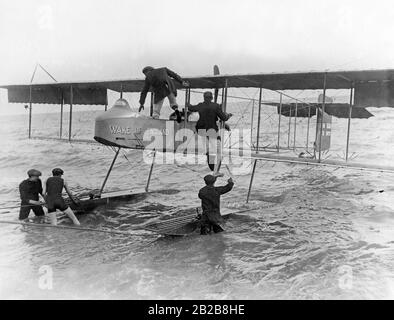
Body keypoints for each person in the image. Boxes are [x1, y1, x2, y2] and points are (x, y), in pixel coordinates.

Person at [187, 91, 233, 175]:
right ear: (211, 98)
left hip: (201, 130)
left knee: (208, 150)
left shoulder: (200, 105)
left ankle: (212, 169)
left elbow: (191, 108)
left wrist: (188, 104)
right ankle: (216, 171)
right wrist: (229, 115)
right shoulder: (215, 106)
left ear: (204, 98)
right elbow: (224, 118)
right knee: (219, 151)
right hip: (211, 130)